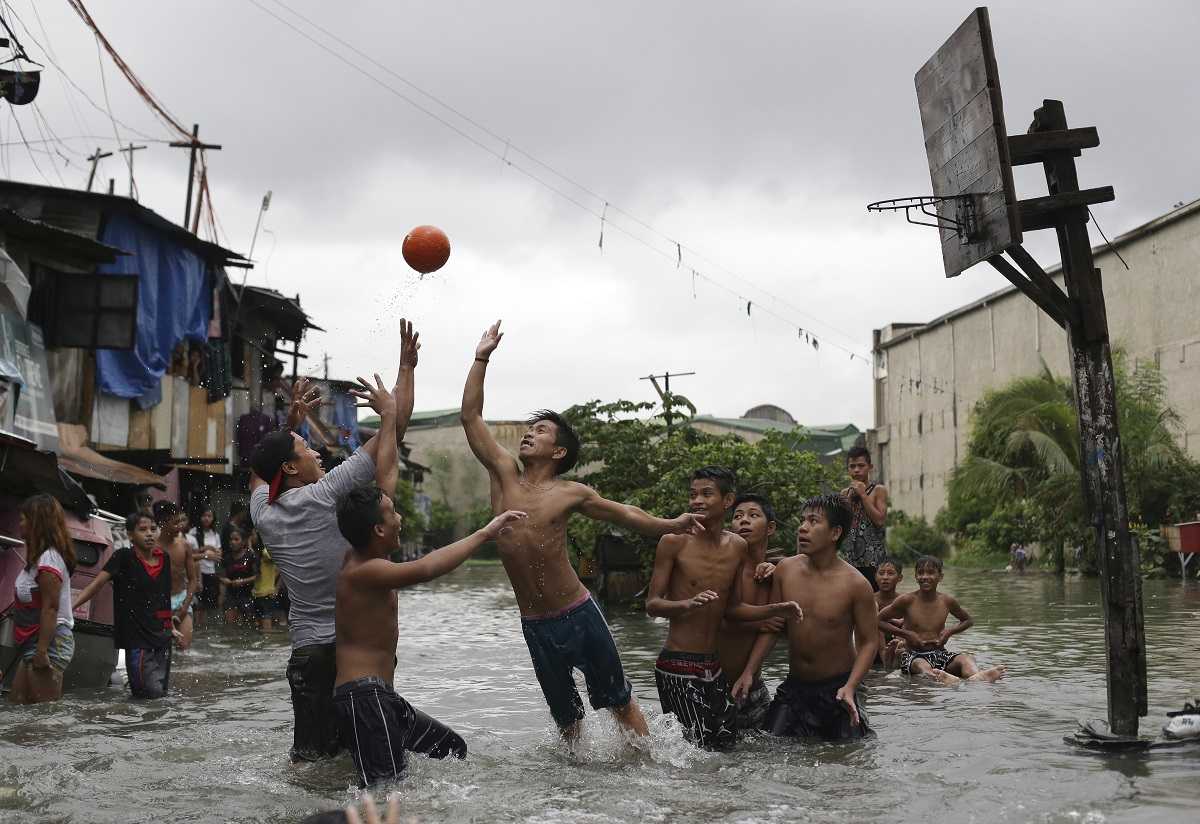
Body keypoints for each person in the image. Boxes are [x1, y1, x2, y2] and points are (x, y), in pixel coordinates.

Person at [460, 320, 703, 741]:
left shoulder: (571, 492)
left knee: (620, 702)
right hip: (535, 623)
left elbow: (624, 513)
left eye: (540, 431)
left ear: (558, 451)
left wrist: (671, 523)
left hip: (577, 613)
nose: (528, 435)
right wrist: (481, 358)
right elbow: (470, 416)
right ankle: (575, 786)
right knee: (567, 720)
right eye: (529, 429)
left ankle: (647, 766)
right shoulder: (503, 475)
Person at [250, 319, 419, 762]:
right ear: (289, 469)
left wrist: (289, 426)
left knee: (308, 761)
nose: (317, 451)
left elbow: (259, 471)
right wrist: (406, 367)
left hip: (306, 653)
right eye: (305, 449)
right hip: (352, 651)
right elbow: (391, 434)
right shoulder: (327, 494)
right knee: (361, 761)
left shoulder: (262, 512)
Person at [333, 483, 526, 786]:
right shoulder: (363, 571)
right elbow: (426, 568)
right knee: (386, 790)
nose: (400, 518)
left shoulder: (365, 560)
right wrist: (484, 534)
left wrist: (391, 435)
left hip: (381, 696)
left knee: (450, 749)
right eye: (393, 513)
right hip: (365, 698)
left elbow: (387, 475)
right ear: (379, 530)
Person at [646, 470, 801, 749]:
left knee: (728, 747)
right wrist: (686, 604)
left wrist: (776, 609)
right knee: (698, 750)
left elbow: (733, 609)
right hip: (678, 664)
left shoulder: (737, 547)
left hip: (713, 668)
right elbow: (652, 605)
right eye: (693, 494)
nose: (697, 501)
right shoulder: (673, 542)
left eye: (706, 493)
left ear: (727, 500)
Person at [732, 494, 878, 741]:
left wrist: (852, 686)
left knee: (849, 753)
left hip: (839, 687)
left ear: (835, 533)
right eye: (802, 521)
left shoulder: (857, 585)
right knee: (769, 747)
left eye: (813, 521)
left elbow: (869, 642)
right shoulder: (786, 570)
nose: (802, 528)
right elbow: (774, 625)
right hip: (796, 686)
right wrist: (749, 671)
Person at [73, 512, 174, 698]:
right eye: (143, 530)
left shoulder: (164, 559)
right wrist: (69, 607)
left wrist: (172, 628)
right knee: (145, 695)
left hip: (162, 637)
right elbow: (96, 585)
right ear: (130, 535)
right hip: (137, 640)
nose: (150, 534)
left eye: (153, 529)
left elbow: (164, 597)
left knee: (161, 694)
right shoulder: (123, 557)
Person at [717, 492, 787, 732]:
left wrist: (748, 672)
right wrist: (756, 623)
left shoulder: (774, 574)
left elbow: (775, 626)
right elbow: (710, 621)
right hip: (714, 684)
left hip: (752, 684)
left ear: (770, 528)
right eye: (737, 516)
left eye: (753, 515)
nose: (743, 521)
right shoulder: (722, 569)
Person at [877, 555, 1006, 685]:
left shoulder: (947, 601)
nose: (925, 577)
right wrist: (907, 634)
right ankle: (942, 678)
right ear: (916, 576)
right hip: (913, 655)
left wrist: (949, 632)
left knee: (965, 659)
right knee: (921, 666)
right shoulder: (907, 600)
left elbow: (968, 620)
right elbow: (878, 620)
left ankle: (976, 676)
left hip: (939, 653)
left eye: (931, 573)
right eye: (921, 573)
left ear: (940, 577)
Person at [6, 495, 77, 704]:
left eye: (23, 519)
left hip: (49, 643)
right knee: (18, 706)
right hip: (35, 642)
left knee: (43, 716)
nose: (20, 524)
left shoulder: (49, 559)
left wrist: (42, 651)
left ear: (37, 523)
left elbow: (51, 608)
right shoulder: (37, 560)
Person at [840, 446, 888, 590]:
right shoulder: (844, 493)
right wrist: (847, 501)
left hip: (873, 559)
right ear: (848, 469)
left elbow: (880, 520)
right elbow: (840, 524)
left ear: (870, 467)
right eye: (852, 466)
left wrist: (863, 495)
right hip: (850, 558)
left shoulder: (878, 490)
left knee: (874, 598)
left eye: (861, 466)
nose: (856, 470)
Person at [153, 501, 197, 650]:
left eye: (180, 521)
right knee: (159, 649)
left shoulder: (185, 545)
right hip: (158, 603)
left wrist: (184, 607)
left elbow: (193, 579)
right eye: (175, 522)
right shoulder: (152, 547)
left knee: (183, 648)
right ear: (162, 523)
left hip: (181, 600)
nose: (180, 526)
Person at [220, 527, 257, 627]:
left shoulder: (250, 556)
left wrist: (243, 581)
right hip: (231, 595)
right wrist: (225, 581)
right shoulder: (227, 557)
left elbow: (257, 576)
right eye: (231, 539)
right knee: (230, 626)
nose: (233, 542)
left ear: (243, 541)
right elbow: (222, 576)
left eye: (236, 539)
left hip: (247, 595)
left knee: (248, 627)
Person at [874, 556, 905, 670]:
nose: (885, 578)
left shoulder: (904, 600)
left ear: (899, 578)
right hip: (874, 646)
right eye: (881, 573)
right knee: (875, 619)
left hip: (899, 643)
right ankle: (886, 660)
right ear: (875, 577)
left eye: (890, 573)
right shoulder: (870, 600)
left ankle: (897, 652)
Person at [191, 508, 222, 616]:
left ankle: (203, 631)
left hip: (211, 572)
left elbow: (219, 553)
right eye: (204, 515)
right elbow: (190, 554)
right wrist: (207, 549)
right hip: (197, 571)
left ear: (213, 519)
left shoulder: (215, 534)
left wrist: (216, 554)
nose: (206, 518)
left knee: (207, 606)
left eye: (209, 516)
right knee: (196, 605)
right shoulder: (193, 532)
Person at [253, 534, 283, 632]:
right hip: (258, 594)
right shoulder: (258, 553)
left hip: (267, 594)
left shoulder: (265, 552)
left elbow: (283, 567)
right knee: (261, 628)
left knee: (267, 629)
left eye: (253, 535)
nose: (251, 537)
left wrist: (277, 588)